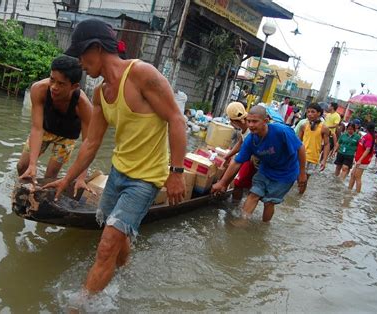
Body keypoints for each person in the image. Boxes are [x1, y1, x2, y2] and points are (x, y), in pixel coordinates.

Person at [44, 18, 186, 293]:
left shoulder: (141, 74)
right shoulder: (100, 93)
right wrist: (67, 180)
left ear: (96, 48)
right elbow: (91, 143)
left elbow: (176, 119)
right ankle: (124, 272)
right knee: (114, 235)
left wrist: (176, 173)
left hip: (144, 180)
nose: (82, 65)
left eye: (83, 57)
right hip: (118, 173)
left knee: (107, 244)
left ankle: (79, 307)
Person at [212, 105, 307, 224]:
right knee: (254, 194)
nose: (251, 125)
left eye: (255, 121)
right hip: (265, 169)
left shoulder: (281, 131)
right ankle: (242, 222)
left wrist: (302, 173)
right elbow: (237, 162)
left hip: (286, 173)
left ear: (265, 121)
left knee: (269, 202)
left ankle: (264, 226)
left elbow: (300, 148)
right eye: (249, 121)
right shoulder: (250, 140)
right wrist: (222, 183)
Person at [17, 55, 92, 191]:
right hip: (45, 129)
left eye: (61, 84)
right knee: (23, 166)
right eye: (52, 79)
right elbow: (36, 128)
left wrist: (81, 177)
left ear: (74, 86)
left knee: (50, 177)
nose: (54, 87)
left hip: (67, 136)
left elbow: (89, 143)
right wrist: (33, 164)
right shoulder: (38, 89)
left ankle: (40, 200)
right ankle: (24, 191)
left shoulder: (83, 105)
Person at [222, 102, 252, 200]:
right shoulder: (242, 128)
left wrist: (223, 183)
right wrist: (227, 156)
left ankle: (234, 207)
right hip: (249, 158)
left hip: (254, 160)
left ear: (232, 120)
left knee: (238, 184)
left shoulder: (251, 128)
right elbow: (240, 143)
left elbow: (241, 156)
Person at [297, 103, 330, 193]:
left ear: (319, 113)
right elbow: (298, 141)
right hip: (301, 155)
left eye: (313, 112)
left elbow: (327, 144)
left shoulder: (324, 128)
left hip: (313, 158)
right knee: (297, 177)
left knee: (304, 180)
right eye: (308, 112)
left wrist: (324, 160)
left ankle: (299, 196)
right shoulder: (303, 126)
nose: (310, 114)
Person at [348, 123, 376, 193]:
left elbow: (368, 149)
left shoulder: (369, 137)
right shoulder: (367, 136)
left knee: (357, 177)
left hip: (363, 161)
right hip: (359, 159)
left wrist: (360, 160)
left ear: (367, 128)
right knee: (352, 174)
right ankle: (349, 190)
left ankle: (357, 193)